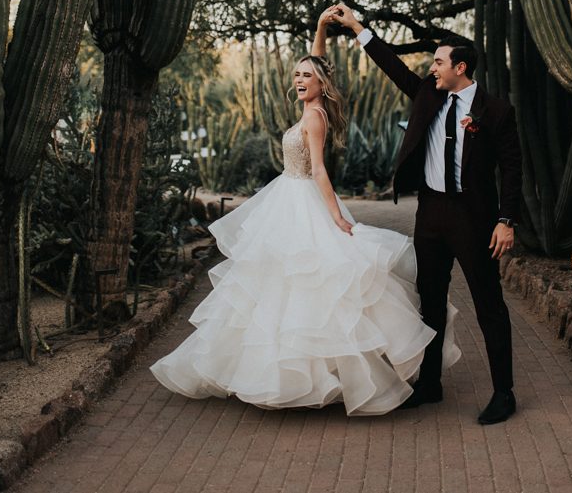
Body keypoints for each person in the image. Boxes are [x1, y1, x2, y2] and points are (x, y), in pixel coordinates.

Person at [150, 48, 460, 415]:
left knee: (311, 286)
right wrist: (321, 25)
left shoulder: (315, 117)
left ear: (321, 83)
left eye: (307, 76)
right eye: (297, 75)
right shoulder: (307, 109)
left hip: (304, 199)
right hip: (287, 197)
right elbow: (317, 56)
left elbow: (318, 170)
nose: (299, 80)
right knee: (279, 286)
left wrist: (337, 217)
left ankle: (322, 378)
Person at [319, 3, 521, 425]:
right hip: (430, 213)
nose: (432, 68)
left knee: (489, 305)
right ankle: (430, 384)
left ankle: (504, 393)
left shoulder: (495, 110)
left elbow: (512, 169)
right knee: (428, 302)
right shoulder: (429, 94)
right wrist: (357, 26)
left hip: (474, 217)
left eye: (439, 62)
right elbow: (392, 65)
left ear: (460, 67)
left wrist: (506, 220)